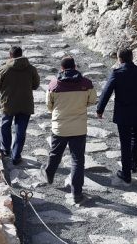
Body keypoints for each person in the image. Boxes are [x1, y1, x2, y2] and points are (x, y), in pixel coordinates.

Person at [96, 48, 137, 184]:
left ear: (120, 59)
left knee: (125, 142)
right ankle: (134, 165)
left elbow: (106, 92)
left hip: (123, 113)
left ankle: (126, 172)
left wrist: (100, 109)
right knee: (136, 137)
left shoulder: (117, 73)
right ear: (132, 57)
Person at [43, 56, 97, 204]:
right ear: (75, 67)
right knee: (78, 160)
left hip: (59, 127)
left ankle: (49, 174)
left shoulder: (54, 84)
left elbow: (49, 105)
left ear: (61, 68)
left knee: (55, 153)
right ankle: (77, 194)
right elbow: (92, 100)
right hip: (79, 127)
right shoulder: (86, 83)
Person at [0, 45, 40, 165]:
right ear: (22, 54)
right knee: (21, 131)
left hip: (8, 103)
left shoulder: (4, 69)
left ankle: (5, 150)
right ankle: (16, 156)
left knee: (5, 126)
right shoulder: (31, 69)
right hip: (26, 103)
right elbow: (35, 85)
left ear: (10, 55)